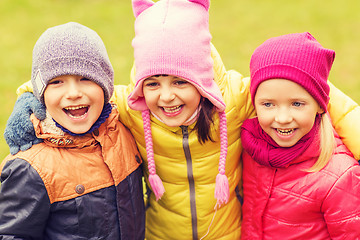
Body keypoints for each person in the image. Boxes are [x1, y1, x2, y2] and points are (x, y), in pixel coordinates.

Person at [4, 1, 360, 239]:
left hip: (227, 233)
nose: (167, 96)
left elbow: (306, 87)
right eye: (154, 83)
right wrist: (29, 103)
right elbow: (79, 89)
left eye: (180, 82)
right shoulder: (131, 108)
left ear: (203, 81)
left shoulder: (236, 98)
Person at [0, 22, 145, 239]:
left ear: (106, 87)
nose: (74, 93)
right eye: (57, 82)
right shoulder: (30, 168)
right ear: (41, 94)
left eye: (85, 78)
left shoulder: (124, 129)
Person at [240, 32, 360, 239]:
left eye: (297, 104)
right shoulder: (250, 147)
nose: (283, 118)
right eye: (268, 104)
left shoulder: (340, 175)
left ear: (320, 106)